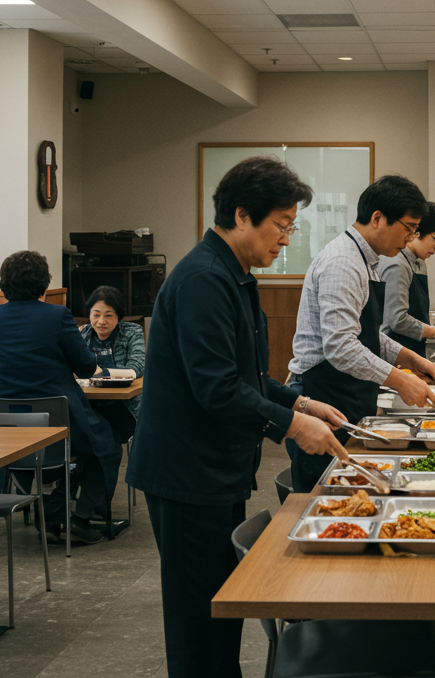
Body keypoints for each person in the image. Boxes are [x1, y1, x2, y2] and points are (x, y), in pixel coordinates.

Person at [127, 156, 348, 678]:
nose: (286, 239)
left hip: (215, 468)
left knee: (222, 611)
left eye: (292, 227)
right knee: (199, 624)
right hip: (186, 471)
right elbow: (218, 389)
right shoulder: (204, 278)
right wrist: (294, 426)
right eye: (281, 225)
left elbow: (246, 376)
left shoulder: (234, 274)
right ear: (242, 215)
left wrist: (300, 402)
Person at [287, 174, 435, 490]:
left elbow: (364, 333)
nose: (410, 237)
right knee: (328, 501)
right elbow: (341, 347)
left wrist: (408, 357)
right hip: (323, 394)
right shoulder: (343, 262)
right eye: (409, 228)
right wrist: (401, 380)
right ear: (377, 218)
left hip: (345, 393)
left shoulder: (366, 259)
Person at [0, 250, 122, 545]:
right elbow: (85, 366)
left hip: (7, 423)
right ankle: (81, 517)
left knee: (63, 453)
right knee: (107, 444)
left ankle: (51, 512)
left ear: (4, 283)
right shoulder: (56, 315)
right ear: (43, 283)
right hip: (58, 418)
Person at [381, 201, 435, 356]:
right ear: (416, 232)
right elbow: (397, 320)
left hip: (413, 347)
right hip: (394, 350)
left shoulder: (419, 263)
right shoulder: (397, 264)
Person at [79, 285, 144, 444]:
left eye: (108, 315)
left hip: (123, 406)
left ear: (118, 316)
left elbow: (136, 367)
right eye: (96, 315)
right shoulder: (81, 334)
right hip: (89, 404)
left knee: (104, 436)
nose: (101, 321)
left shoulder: (132, 332)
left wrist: (99, 372)